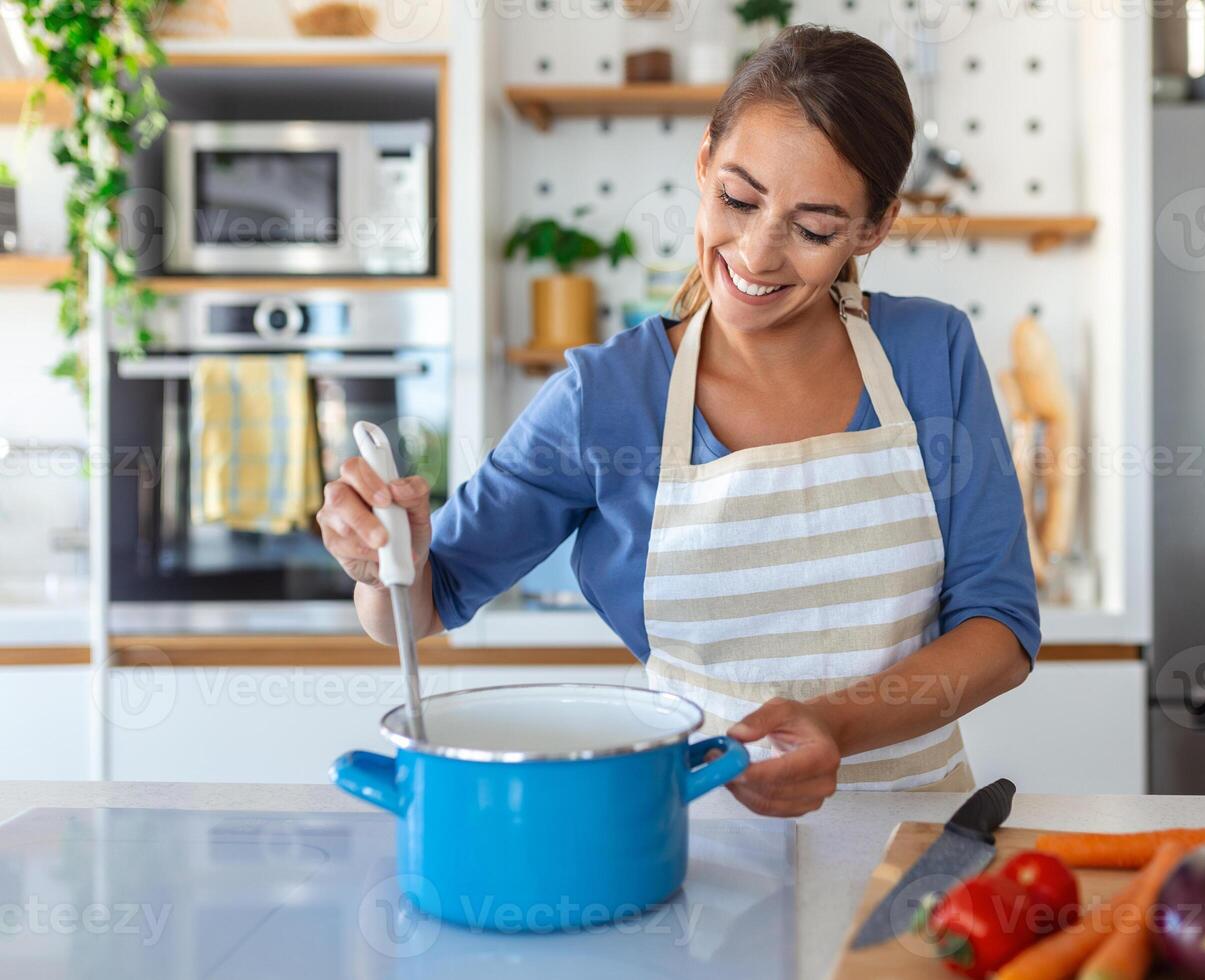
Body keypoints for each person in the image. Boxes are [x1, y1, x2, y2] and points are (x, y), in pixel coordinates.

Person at [317, 24, 1040, 816]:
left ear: (873, 228)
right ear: (703, 163)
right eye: (738, 198)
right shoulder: (607, 397)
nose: (758, 254)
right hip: (687, 845)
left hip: (912, 846)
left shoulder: (930, 351)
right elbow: (416, 608)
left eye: (813, 227)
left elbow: (1000, 631)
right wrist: (379, 559)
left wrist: (836, 723)